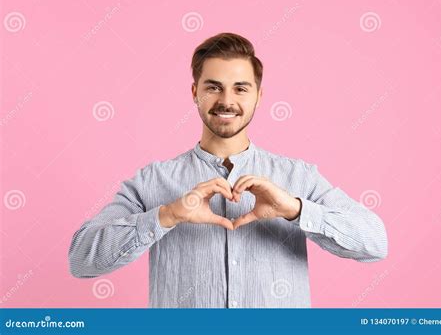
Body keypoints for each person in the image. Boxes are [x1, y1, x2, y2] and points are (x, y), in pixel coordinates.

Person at [69, 32, 388, 308]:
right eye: (213, 87)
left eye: (240, 88)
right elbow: (81, 260)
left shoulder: (298, 178)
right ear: (195, 93)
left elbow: (375, 243)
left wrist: (294, 209)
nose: (226, 100)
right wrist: (168, 215)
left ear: (259, 97)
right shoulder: (151, 182)